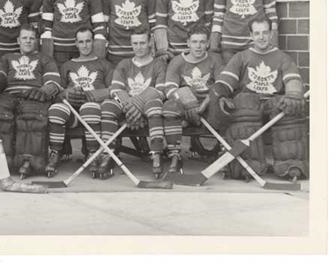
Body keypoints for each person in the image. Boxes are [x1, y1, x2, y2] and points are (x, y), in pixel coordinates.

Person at [202, 15, 307, 181]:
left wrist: (294, 94)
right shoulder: (241, 57)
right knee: (244, 102)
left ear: (271, 34)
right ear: (251, 35)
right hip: (250, 108)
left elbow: (293, 80)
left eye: (265, 32)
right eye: (257, 33)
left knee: (291, 107)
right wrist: (220, 95)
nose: (261, 37)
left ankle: (291, 164)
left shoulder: (282, 57)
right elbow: (225, 82)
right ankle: (247, 165)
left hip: (274, 108)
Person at [0, 24, 62, 178]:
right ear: (18, 40)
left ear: (36, 40)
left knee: (30, 119)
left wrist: (43, 91)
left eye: (31, 38)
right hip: (9, 95)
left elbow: (54, 82)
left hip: (33, 95)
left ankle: (28, 161)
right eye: (25, 38)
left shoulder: (45, 59)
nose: (28, 41)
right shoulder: (7, 58)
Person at [45, 28, 114, 177]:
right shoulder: (67, 66)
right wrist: (66, 94)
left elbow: (113, 90)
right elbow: (58, 93)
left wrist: (93, 94)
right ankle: (56, 153)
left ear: (94, 42)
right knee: (56, 109)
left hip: (96, 113)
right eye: (81, 41)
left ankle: (92, 153)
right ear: (76, 43)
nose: (85, 45)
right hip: (74, 114)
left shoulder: (104, 64)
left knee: (89, 108)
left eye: (88, 41)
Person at [103, 29, 167, 179]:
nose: (139, 47)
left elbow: (161, 90)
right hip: (127, 103)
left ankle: (156, 154)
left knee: (155, 104)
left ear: (150, 42)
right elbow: (115, 90)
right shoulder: (124, 64)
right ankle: (108, 153)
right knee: (107, 106)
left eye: (142, 43)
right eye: (135, 43)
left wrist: (137, 103)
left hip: (148, 102)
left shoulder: (158, 64)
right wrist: (129, 105)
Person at [163, 25, 224, 173]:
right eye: (195, 42)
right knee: (169, 108)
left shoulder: (215, 59)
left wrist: (207, 102)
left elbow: (222, 85)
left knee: (225, 104)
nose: (198, 46)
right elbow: (169, 89)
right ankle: (174, 155)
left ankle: (223, 150)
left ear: (208, 43)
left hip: (208, 104)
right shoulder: (177, 61)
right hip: (185, 104)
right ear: (188, 43)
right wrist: (186, 99)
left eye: (202, 42)